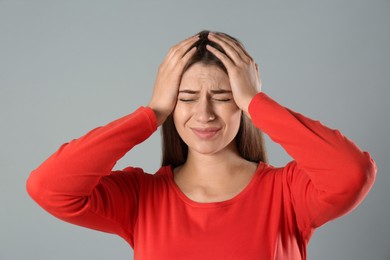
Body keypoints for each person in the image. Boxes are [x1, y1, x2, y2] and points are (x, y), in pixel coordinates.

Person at [26, 30, 377, 259]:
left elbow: (352, 173)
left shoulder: (288, 193)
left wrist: (258, 103)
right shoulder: (141, 198)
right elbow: (49, 188)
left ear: (240, 104)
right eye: (187, 98)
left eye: (223, 97)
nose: (204, 113)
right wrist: (151, 113)